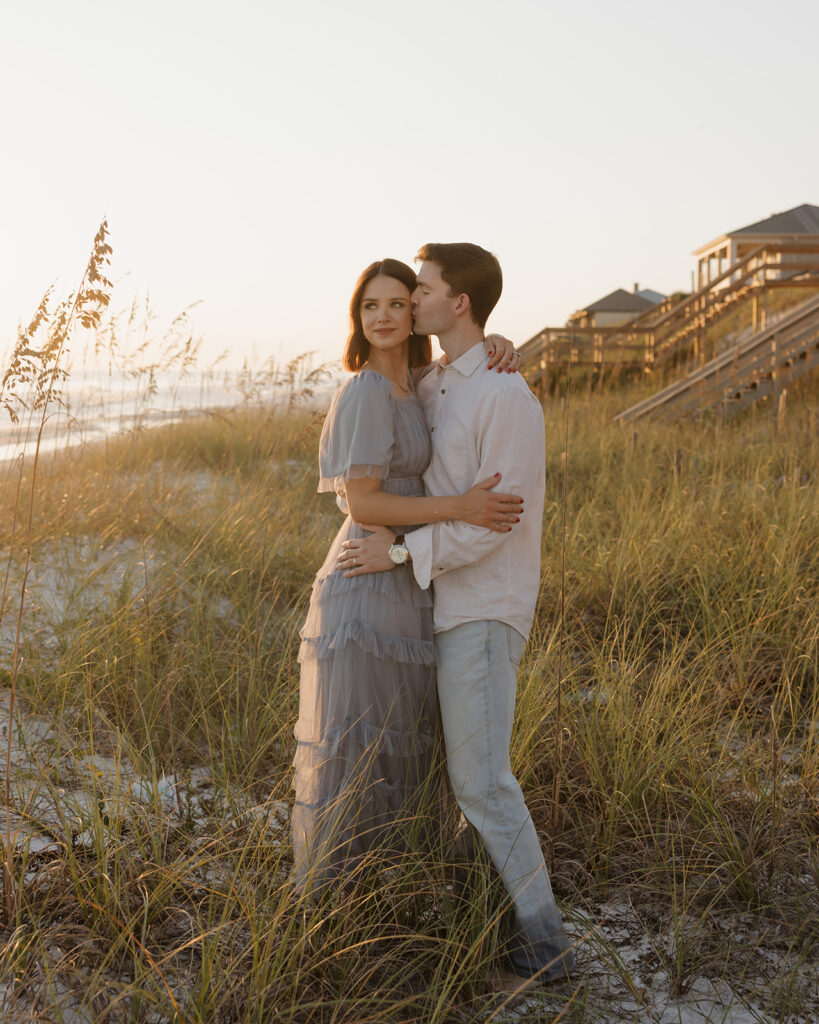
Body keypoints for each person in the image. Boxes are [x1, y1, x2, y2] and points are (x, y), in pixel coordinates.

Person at [339, 243, 575, 990]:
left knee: (482, 782)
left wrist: (401, 556)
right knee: (455, 781)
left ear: (458, 304)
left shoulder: (506, 397)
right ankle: (491, 922)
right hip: (434, 608)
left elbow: (495, 520)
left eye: (424, 290)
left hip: (481, 607)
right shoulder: (438, 382)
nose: (411, 300)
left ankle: (546, 944)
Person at [291, 257, 522, 893]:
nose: (386, 315)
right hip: (366, 574)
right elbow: (362, 503)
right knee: (362, 744)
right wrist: (459, 507)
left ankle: (398, 892)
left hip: (408, 575)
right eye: (371, 306)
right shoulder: (366, 388)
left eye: (399, 302)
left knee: (406, 739)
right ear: (357, 318)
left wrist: (500, 342)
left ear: (419, 311)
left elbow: (468, 367)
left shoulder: (420, 382)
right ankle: (343, 903)